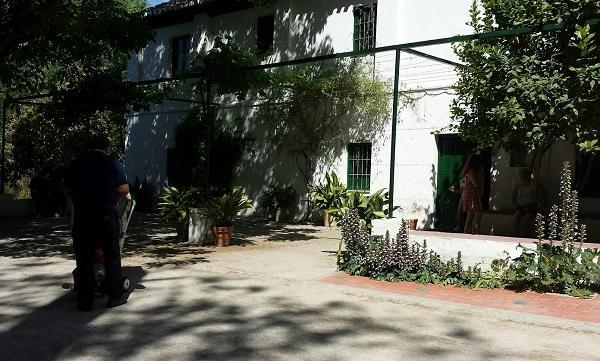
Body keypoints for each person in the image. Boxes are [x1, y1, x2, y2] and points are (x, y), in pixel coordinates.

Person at [64, 134, 131, 311]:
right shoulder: (112, 163)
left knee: (84, 259)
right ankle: (115, 297)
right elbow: (124, 189)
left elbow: (67, 189)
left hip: (83, 218)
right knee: (111, 257)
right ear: (106, 148)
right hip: (106, 217)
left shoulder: (76, 163)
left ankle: (85, 301)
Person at [512, 168, 544, 237]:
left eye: (524, 175)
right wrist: (516, 205)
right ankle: (516, 235)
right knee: (517, 216)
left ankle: (525, 235)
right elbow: (513, 197)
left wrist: (542, 207)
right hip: (522, 207)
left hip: (532, 208)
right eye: (521, 175)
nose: (522, 177)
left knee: (527, 218)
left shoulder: (535, 185)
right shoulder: (519, 187)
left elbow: (541, 197)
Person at [461, 154, 484, 234]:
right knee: (476, 213)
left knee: (471, 214)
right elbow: (476, 183)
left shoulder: (477, 171)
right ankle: (472, 230)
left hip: (473, 192)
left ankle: (469, 231)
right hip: (471, 193)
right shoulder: (470, 171)